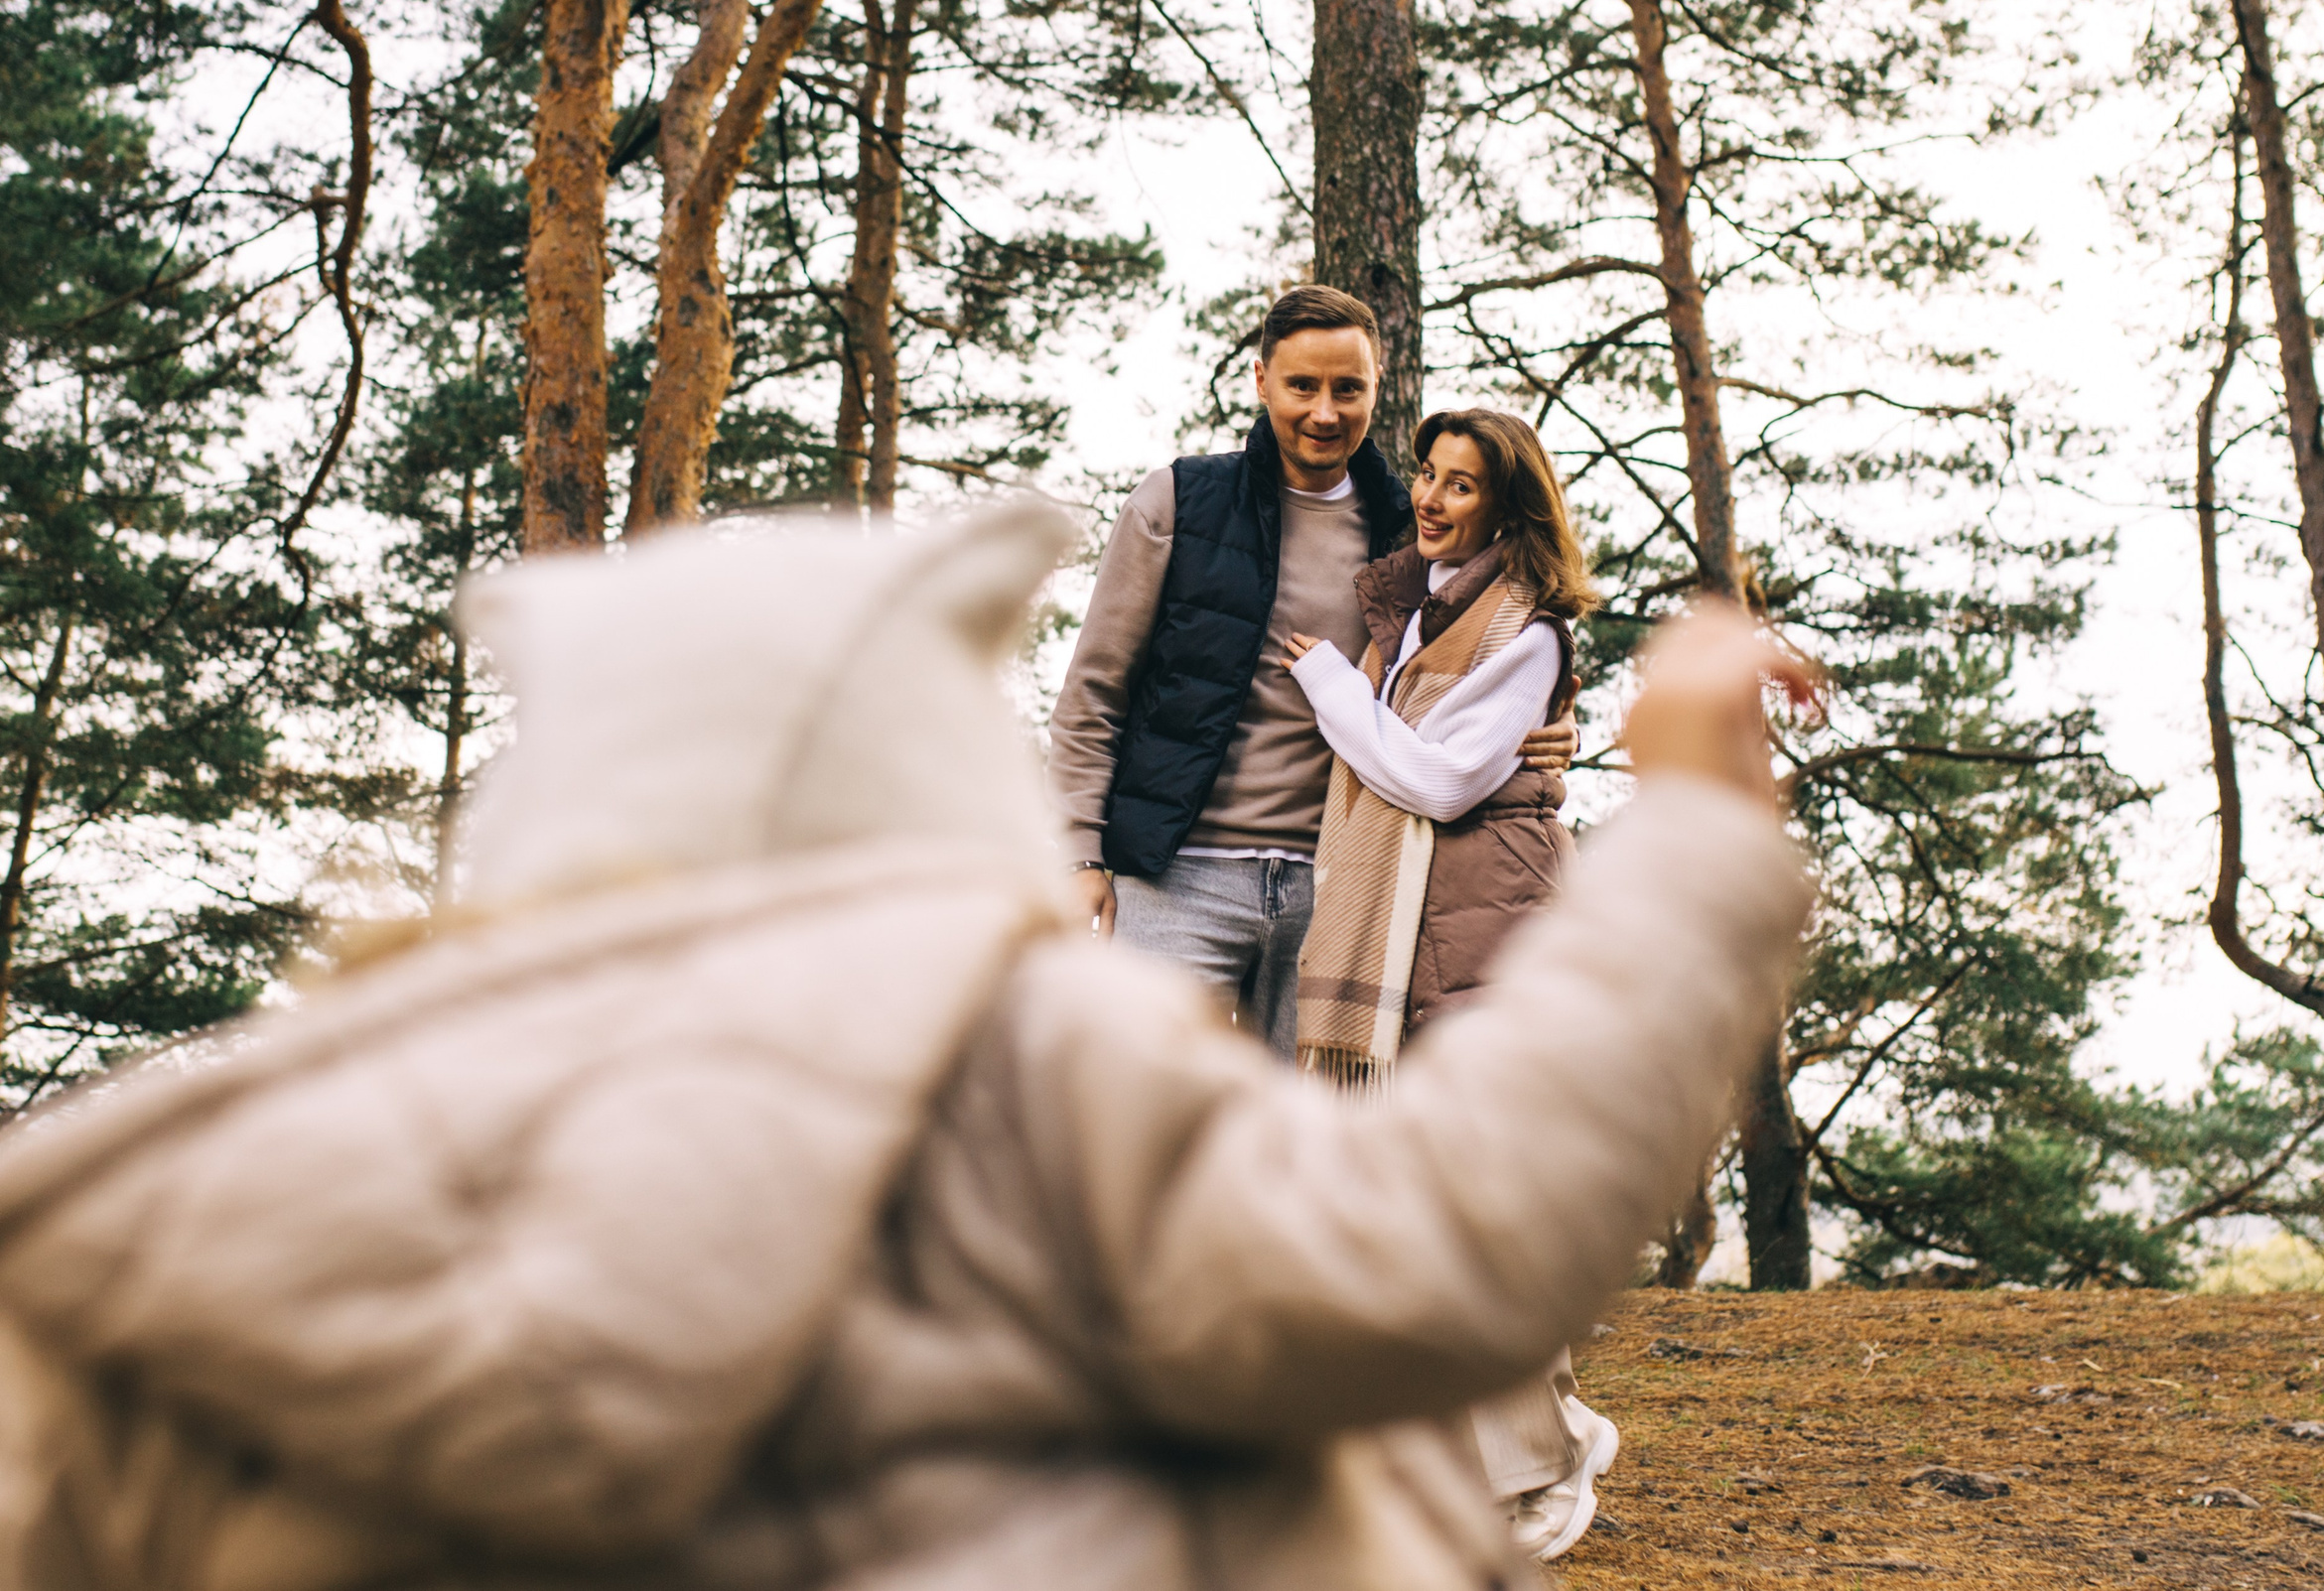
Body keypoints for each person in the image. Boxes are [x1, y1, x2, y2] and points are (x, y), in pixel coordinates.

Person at [0, 504, 1811, 1591]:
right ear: (933, 790)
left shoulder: (180, 1217)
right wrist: (1698, 833)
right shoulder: (1013, 1057)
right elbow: (1437, 1242)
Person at [1047, 285, 1572, 1055]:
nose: (1325, 412)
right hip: (1173, 878)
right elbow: (1094, 693)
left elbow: (1493, 651)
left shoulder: (1411, 528)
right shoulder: (1178, 503)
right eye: (1302, 386)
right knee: (1143, 1108)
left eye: (1347, 389)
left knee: (1312, 1122)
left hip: (1335, 888)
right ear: (1262, 382)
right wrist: (1079, 854)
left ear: (1376, 387)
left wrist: (1552, 725)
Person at [1279, 408, 1613, 1559]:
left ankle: (1543, 1466)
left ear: (1508, 508)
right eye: (1427, 474)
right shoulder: (1418, 614)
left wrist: (1329, 685)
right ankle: (1515, 1447)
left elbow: (1434, 778)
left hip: (1487, 926)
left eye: (1461, 484)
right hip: (1415, 926)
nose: (1429, 496)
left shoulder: (1526, 631)